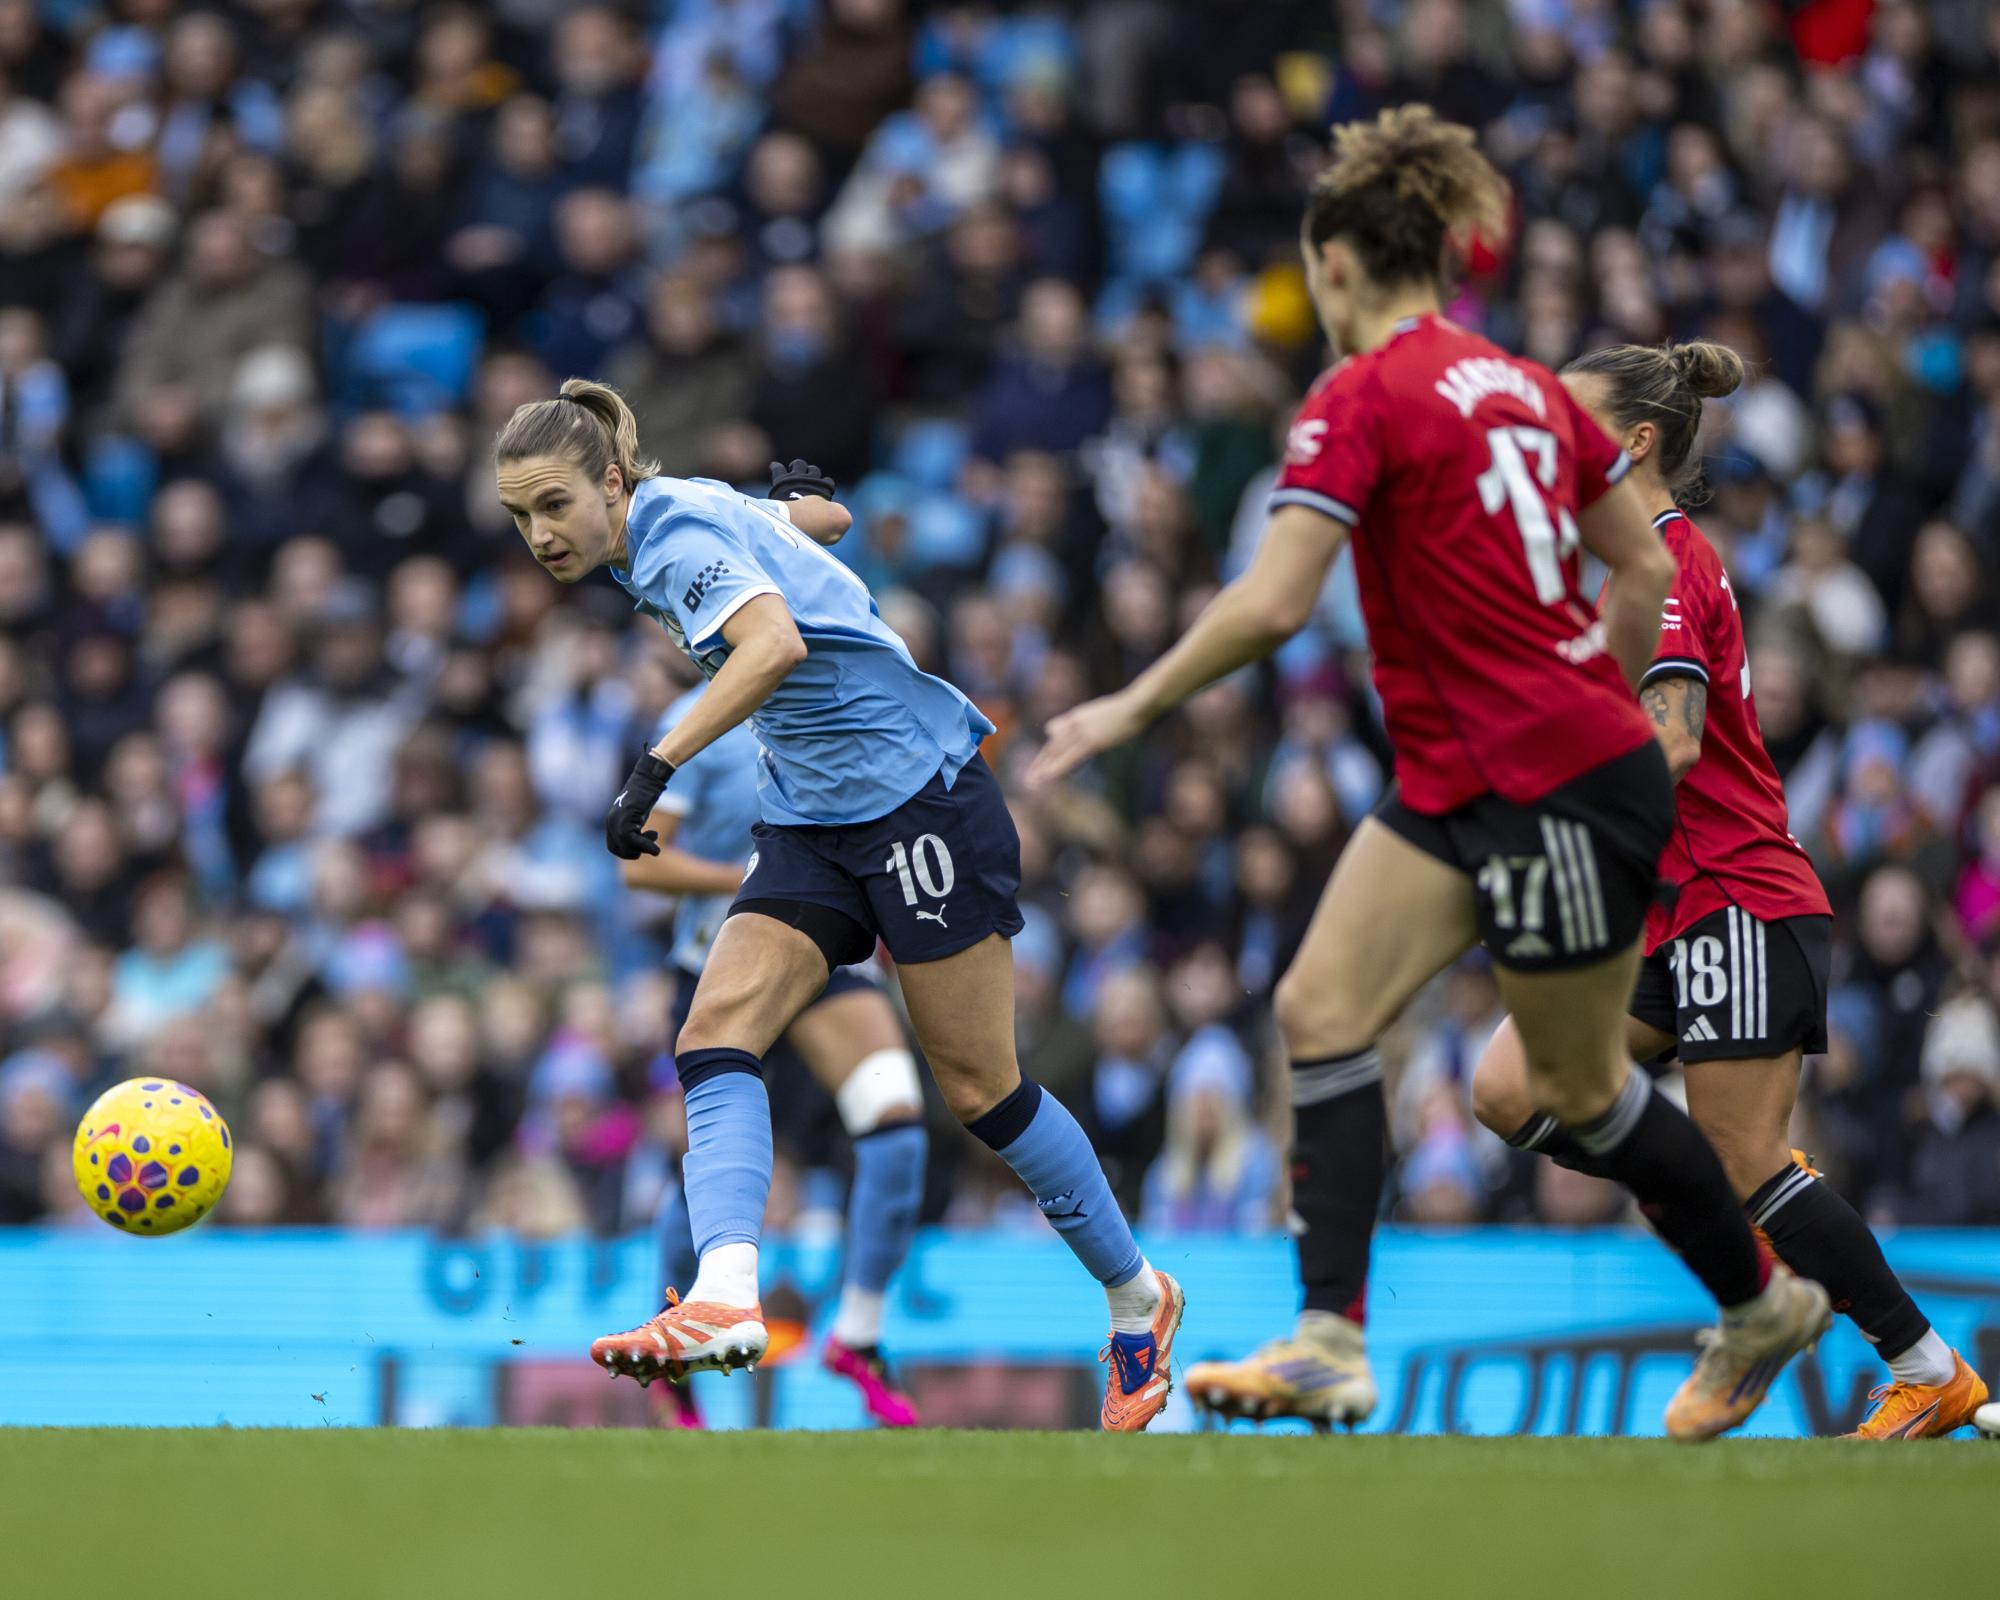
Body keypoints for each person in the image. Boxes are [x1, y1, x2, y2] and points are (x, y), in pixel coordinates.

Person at [1031, 106, 1828, 1440]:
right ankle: (1331, 1341)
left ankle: (1757, 1300)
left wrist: (1129, 702)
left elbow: (1276, 605)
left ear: (1341, 266)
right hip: (1479, 772)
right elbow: (1637, 565)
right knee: (1321, 1005)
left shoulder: (1362, 393)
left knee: (1571, 1091)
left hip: (1550, 778)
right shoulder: (1520, 383)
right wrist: (1600, 686)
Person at [493, 384, 1184, 1432]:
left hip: (919, 804)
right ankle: (724, 1297)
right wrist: (818, 513)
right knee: (714, 1030)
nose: (539, 534)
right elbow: (808, 526)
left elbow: (774, 646)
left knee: (981, 1091)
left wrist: (656, 764)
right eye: (519, 517)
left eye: (552, 504)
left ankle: (1137, 1293)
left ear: (611, 483)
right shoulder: (672, 514)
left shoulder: (670, 533)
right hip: (812, 819)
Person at [1465, 339, 1988, 1441]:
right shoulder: (1613, 564)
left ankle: (1917, 1364)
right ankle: (1773, 1294)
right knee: (1509, 1089)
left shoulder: (1660, 558)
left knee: (1745, 1157)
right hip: (1667, 913)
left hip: (1731, 893)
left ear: (1636, 441)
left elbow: (1673, 744)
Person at [624, 684, 929, 1428]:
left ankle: (858, 1334)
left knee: (896, 1119)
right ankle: (674, 1345)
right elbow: (640, 865)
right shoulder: (695, 724)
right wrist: (752, 883)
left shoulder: (844, 706)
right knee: (702, 1171)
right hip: (720, 967)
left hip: (824, 961)